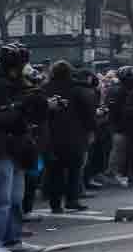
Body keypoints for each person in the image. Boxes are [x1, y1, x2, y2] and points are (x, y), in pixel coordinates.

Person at [0, 45, 42, 252]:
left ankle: (12, 238)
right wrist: (18, 107)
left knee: (15, 197)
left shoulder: (15, 85)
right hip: (0, 147)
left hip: (16, 146)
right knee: (0, 197)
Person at [40, 62, 93, 214]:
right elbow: (87, 113)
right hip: (74, 135)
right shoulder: (77, 89)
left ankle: (55, 203)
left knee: (54, 171)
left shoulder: (44, 89)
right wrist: (91, 129)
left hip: (51, 135)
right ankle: (72, 199)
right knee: (74, 170)